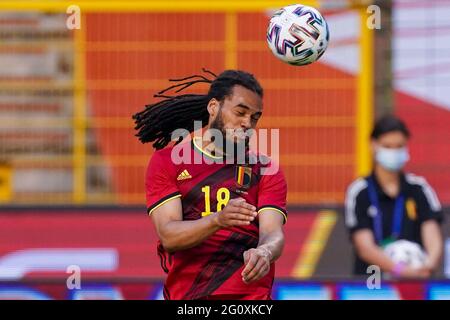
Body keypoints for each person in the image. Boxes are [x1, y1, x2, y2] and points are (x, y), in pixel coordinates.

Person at [133, 69, 287, 300]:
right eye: (240, 112)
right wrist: (217, 220)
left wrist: (265, 252)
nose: (247, 123)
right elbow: (169, 236)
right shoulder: (167, 162)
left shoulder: (265, 168)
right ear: (214, 107)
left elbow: (273, 233)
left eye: (254, 117)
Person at [345, 115, 443, 278]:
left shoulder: (419, 188)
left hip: (416, 277)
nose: (394, 152)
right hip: (372, 280)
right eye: (387, 147)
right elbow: (365, 247)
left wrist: (428, 266)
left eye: (399, 147)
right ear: (373, 146)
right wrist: (399, 270)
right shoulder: (359, 191)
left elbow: (432, 234)